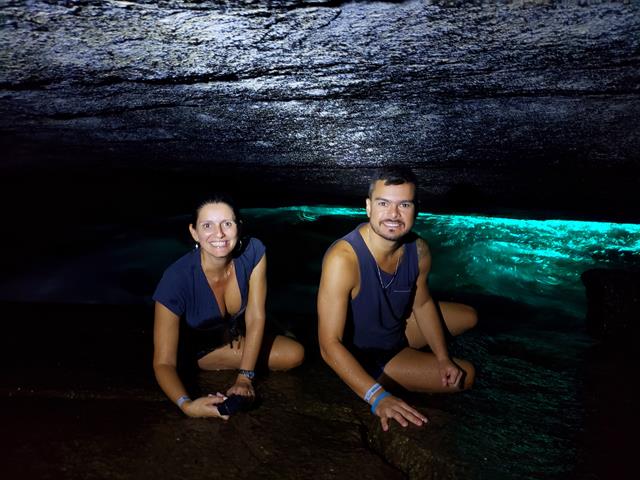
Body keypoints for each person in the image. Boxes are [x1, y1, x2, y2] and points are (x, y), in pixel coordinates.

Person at [318, 167, 477, 431]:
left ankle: (418, 356)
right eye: (384, 203)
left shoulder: (419, 248)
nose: (393, 214)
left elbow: (423, 303)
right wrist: (377, 396)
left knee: (469, 316)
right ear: (368, 207)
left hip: (397, 330)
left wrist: (442, 357)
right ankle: (388, 373)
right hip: (367, 356)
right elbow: (328, 344)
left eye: (404, 204)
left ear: (415, 209)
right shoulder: (343, 259)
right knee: (466, 375)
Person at [153, 194, 304, 418]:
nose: (219, 234)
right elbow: (163, 362)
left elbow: (255, 316)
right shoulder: (176, 278)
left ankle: (275, 330)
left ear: (238, 227)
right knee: (292, 353)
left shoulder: (253, 251)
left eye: (227, 223)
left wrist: (245, 377)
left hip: (233, 331)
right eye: (207, 226)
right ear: (194, 232)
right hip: (198, 351)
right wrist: (187, 405)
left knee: (292, 348)